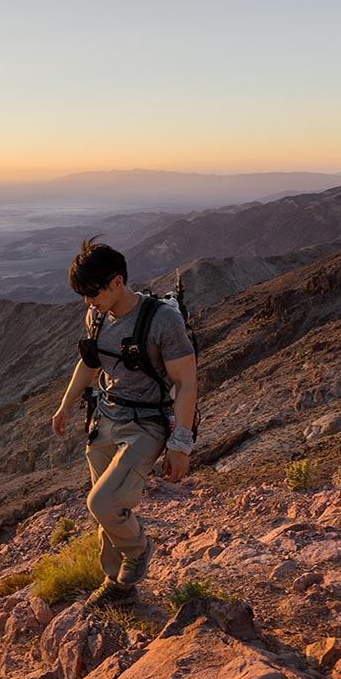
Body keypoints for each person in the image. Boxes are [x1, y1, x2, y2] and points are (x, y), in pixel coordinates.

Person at [51, 238, 197, 610]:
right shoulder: (97, 316)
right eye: (82, 295)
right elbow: (91, 362)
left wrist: (180, 444)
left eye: (93, 292)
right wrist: (66, 405)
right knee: (109, 512)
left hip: (146, 425)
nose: (88, 301)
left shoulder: (163, 321)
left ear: (117, 282)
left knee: (102, 503)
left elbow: (186, 381)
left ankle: (139, 549)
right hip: (106, 418)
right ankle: (118, 586)